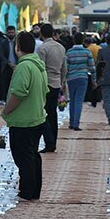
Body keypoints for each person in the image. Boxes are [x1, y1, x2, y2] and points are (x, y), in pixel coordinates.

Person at [4, 31, 48, 200]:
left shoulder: (24, 66)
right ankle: (33, 189)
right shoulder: (38, 65)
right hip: (37, 116)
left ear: (18, 47)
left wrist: (6, 110)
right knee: (32, 155)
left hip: (23, 119)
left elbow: (19, 93)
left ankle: (27, 191)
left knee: (23, 156)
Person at [36, 23, 68, 152]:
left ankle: (49, 142)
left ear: (41, 34)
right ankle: (53, 141)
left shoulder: (43, 48)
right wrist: (62, 82)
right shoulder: (61, 47)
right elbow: (64, 68)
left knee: (44, 114)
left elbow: (41, 68)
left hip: (45, 83)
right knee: (53, 114)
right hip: (56, 82)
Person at [65, 32, 95, 130]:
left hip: (71, 78)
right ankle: (76, 124)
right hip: (83, 78)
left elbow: (66, 68)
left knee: (72, 100)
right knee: (79, 101)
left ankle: (71, 122)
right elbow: (92, 67)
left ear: (74, 40)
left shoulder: (69, 52)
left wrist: (63, 80)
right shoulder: (87, 52)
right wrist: (94, 80)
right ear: (83, 41)